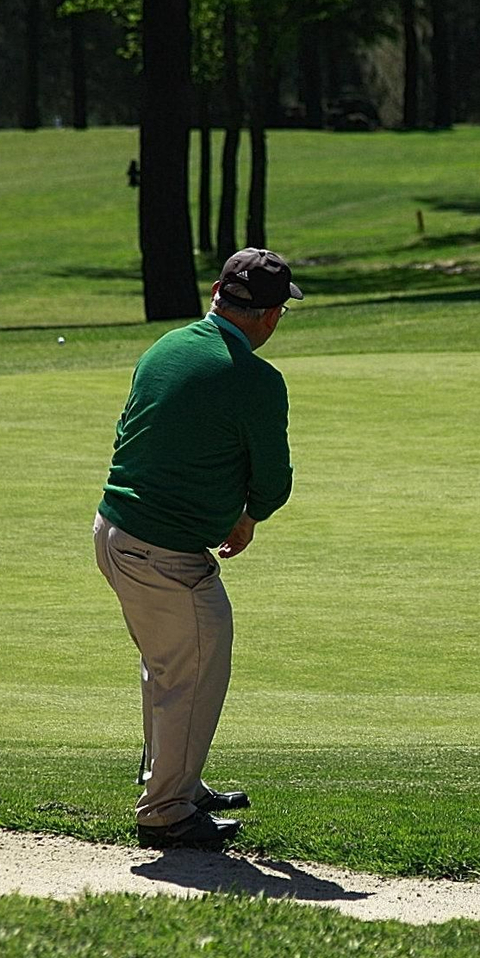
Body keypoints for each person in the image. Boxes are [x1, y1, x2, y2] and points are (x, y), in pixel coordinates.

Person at [93, 248, 300, 849]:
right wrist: (248, 516)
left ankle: (176, 779)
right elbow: (274, 482)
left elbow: (133, 430)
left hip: (114, 530)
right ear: (270, 315)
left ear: (217, 292)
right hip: (160, 549)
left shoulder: (166, 347)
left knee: (170, 663)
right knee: (195, 664)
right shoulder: (256, 379)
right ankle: (165, 811)